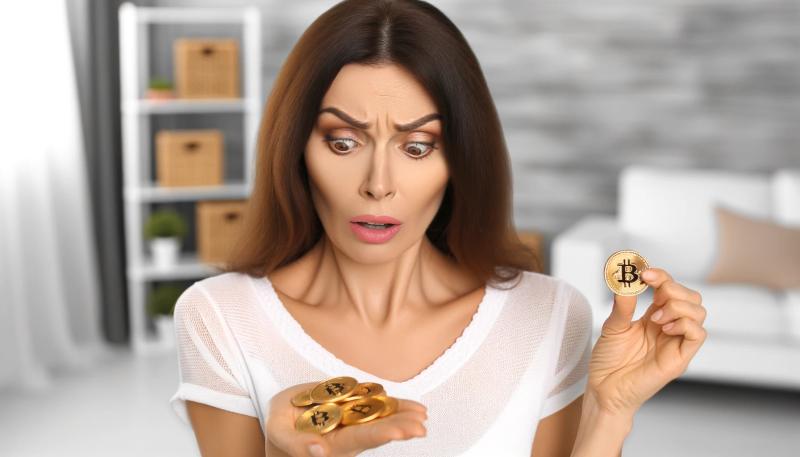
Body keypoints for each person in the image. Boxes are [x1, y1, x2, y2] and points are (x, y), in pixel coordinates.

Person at [168, 1, 707, 456]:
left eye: (417, 146)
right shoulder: (220, 318)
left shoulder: (550, 314)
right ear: (296, 150)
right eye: (343, 142)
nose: (379, 185)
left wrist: (609, 414)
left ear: (460, 160)